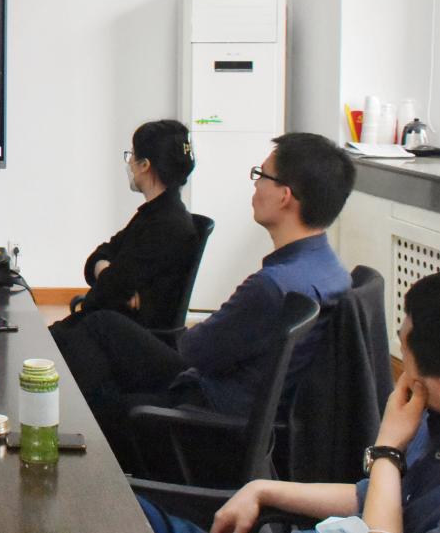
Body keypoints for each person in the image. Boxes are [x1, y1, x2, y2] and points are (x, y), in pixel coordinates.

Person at [52, 132, 356, 473]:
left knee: (97, 382)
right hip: (233, 403)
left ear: (284, 196)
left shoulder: (273, 286)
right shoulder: (330, 271)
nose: (255, 185)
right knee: (100, 326)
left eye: (261, 175)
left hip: (207, 420)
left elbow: (194, 350)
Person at [139, 271, 440, 533]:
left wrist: (387, 450)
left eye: (405, 355)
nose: (403, 378)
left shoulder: (406, 425)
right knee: (137, 512)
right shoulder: (429, 418)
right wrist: (263, 489)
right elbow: (372, 497)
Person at [52, 119, 198, 331]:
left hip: (123, 334)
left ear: (145, 165)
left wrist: (111, 281)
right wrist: (109, 275)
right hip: (111, 326)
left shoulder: (164, 225)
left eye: (132, 156)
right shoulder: (156, 214)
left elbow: (104, 293)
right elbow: (99, 259)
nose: (129, 164)